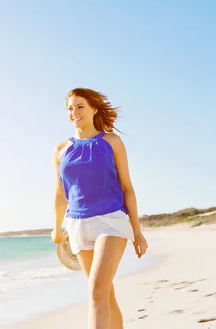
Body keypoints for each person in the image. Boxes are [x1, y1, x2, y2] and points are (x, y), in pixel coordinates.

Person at [51, 87, 148, 329]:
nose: (74, 112)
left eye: (80, 106)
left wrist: (137, 230)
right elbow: (61, 193)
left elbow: (127, 188)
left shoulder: (111, 142)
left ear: (94, 108)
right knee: (105, 294)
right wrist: (56, 229)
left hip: (111, 220)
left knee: (95, 291)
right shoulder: (61, 150)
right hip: (77, 224)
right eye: (70, 108)